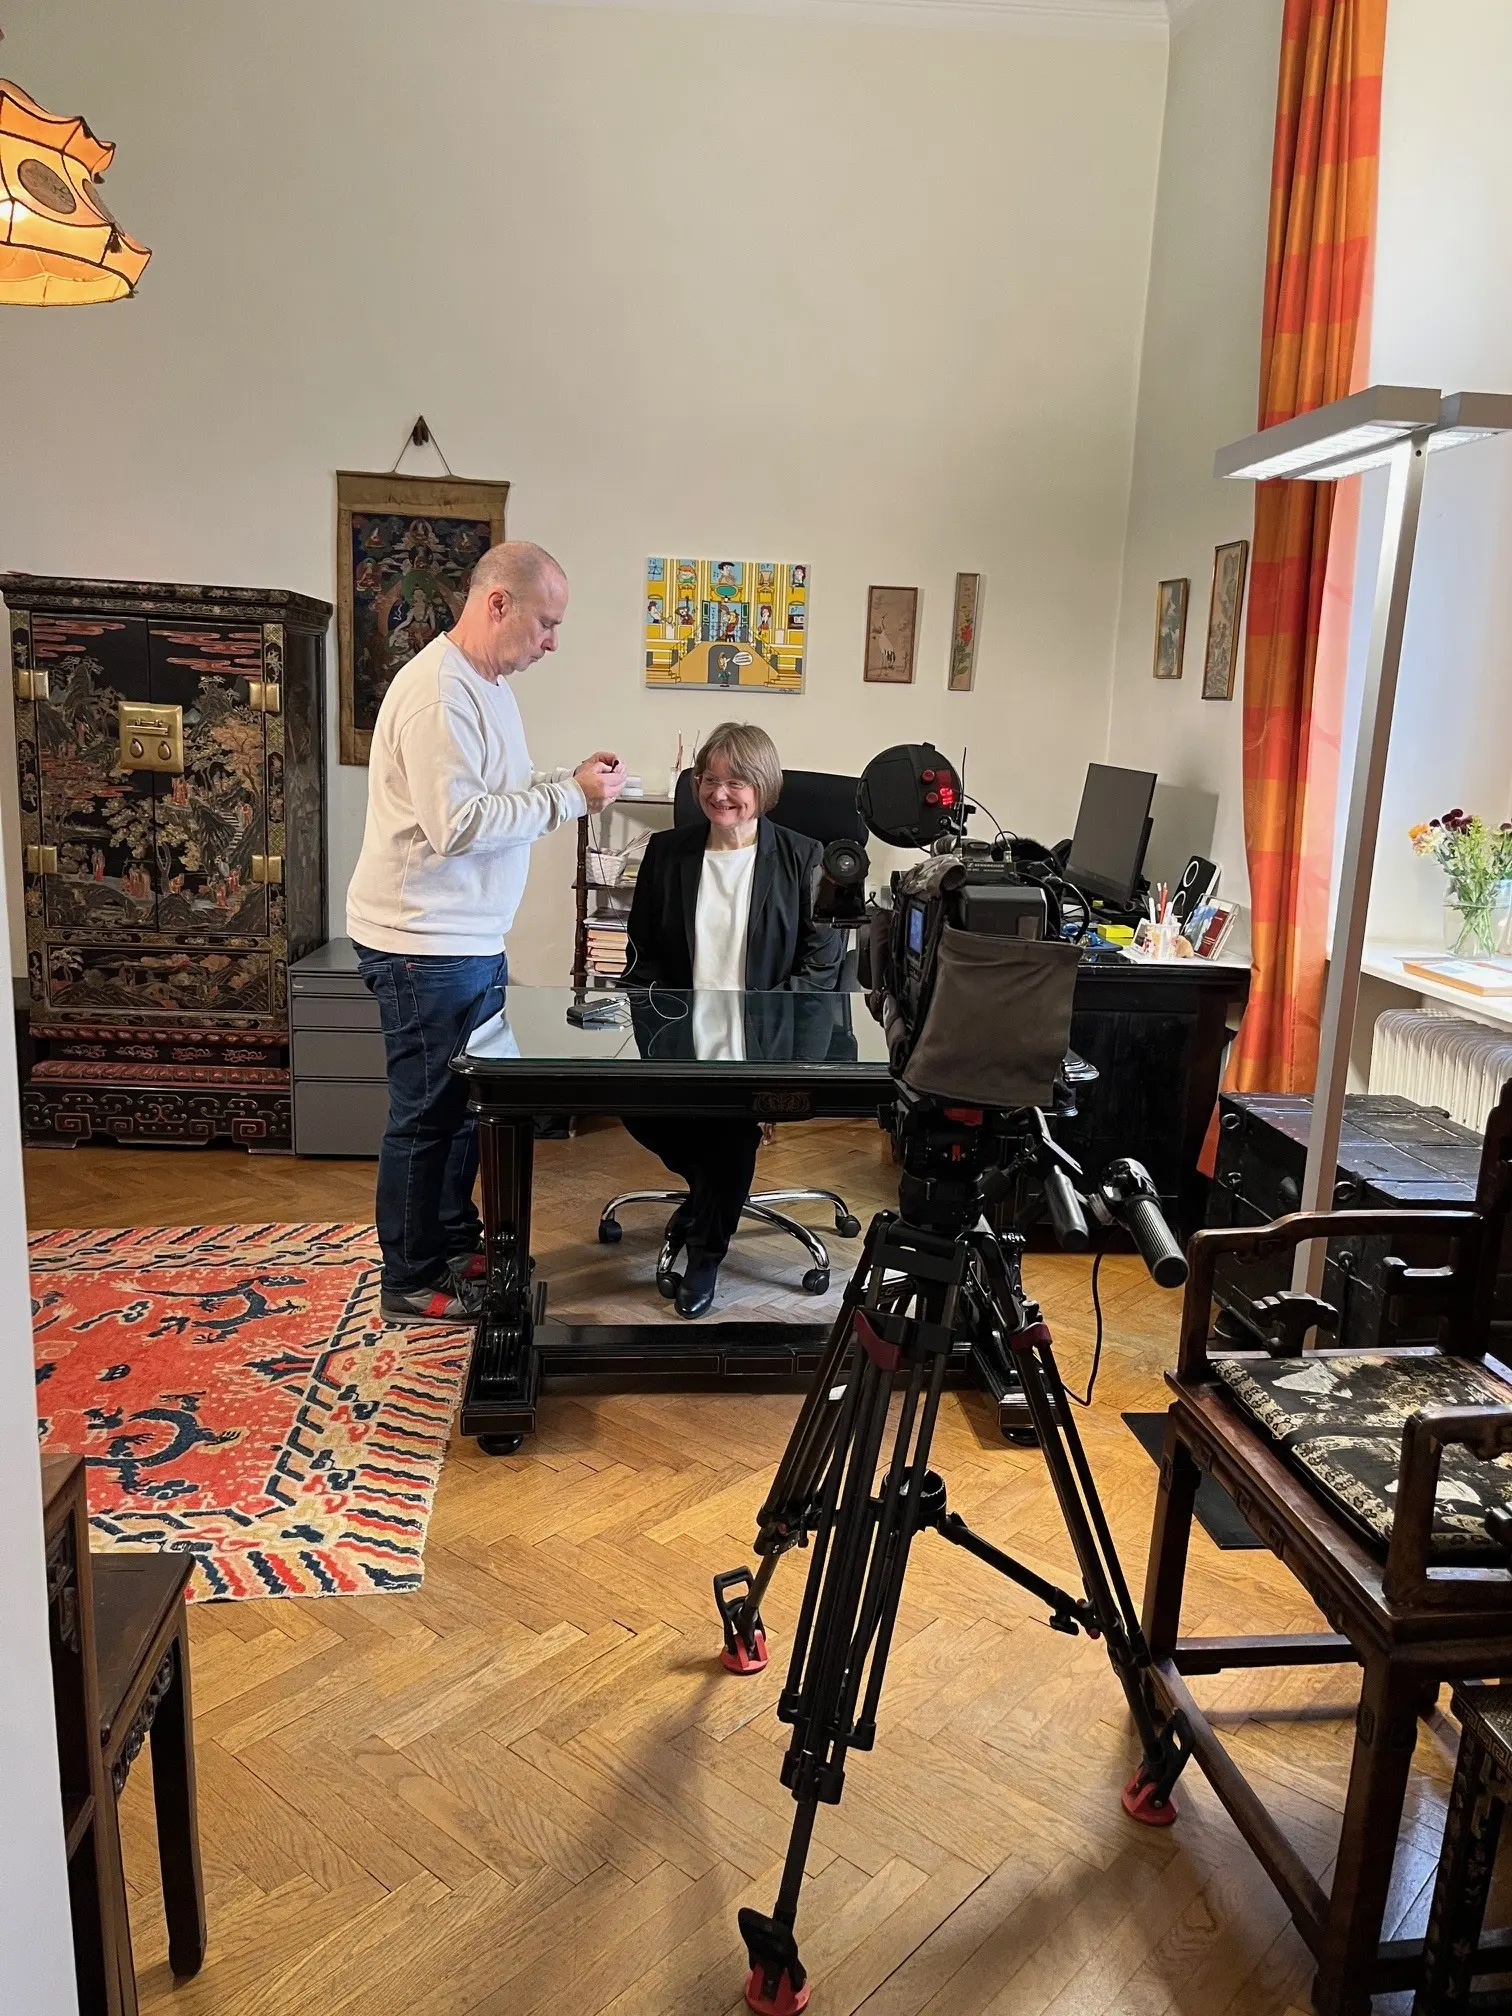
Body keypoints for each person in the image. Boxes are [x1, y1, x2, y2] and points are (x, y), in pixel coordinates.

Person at [347, 540, 625, 1322]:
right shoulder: (440, 693)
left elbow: (499, 790)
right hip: (423, 944)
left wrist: (567, 781)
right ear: (498, 603)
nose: (553, 642)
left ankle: (449, 1240)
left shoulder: (487, 685)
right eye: (547, 622)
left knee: (466, 1106)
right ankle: (410, 1279)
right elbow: (458, 825)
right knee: (428, 1113)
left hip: (464, 940)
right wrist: (569, 798)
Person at [620, 722, 842, 1319]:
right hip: (680, 1030)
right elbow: (643, 952)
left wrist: (779, 1041)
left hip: (765, 1039)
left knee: (731, 1131)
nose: (720, 794)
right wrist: (641, 1016)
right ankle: (709, 1194)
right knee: (631, 1105)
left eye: (736, 782)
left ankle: (706, 1255)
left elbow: (820, 966)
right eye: (708, 780)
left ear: (763, 787)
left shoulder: (805, 859)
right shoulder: (667, 853)